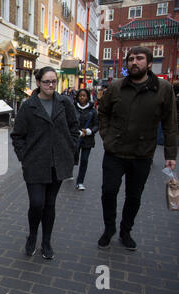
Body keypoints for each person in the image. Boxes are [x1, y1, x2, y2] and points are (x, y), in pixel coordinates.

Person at [98, 47, 177, 251]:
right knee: (108, 192)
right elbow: (103, 113)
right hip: (114, 152)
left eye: (139, 59)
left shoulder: (163, 88)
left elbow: (170, 124)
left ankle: (126, 231)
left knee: (134, 196)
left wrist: (170, 155)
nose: (134, 62)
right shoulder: (116, 87)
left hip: (142, 154)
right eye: (130, 59)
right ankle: (109, 229)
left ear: (149, 63)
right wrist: (106, 137)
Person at [11, 67, 79, 259]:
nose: (51, 85)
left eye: (54, 81)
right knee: (36, 203)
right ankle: (32, 236)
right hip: (35, 163)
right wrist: (24, 156)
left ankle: (46, 241)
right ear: (39, 82)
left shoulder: (65, 103)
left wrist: (70, 147)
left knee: (50, 204)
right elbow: (17, 135)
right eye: (47, 81)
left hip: (57, 163)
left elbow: (74, 128)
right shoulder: (29, 105)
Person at [74, 88, 98, 191]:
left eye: (84, 96)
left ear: (88, 97)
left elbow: (97, 125)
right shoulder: (73, 109)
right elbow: (69, 122)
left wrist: (89, 131)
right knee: (73, 158)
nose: (82, 98)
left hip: (87, 140)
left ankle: (80, 182)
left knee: (84, 160)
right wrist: (77, 132)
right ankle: (69, 172)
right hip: (75, 138)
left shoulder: (92, 111)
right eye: (80, 96)